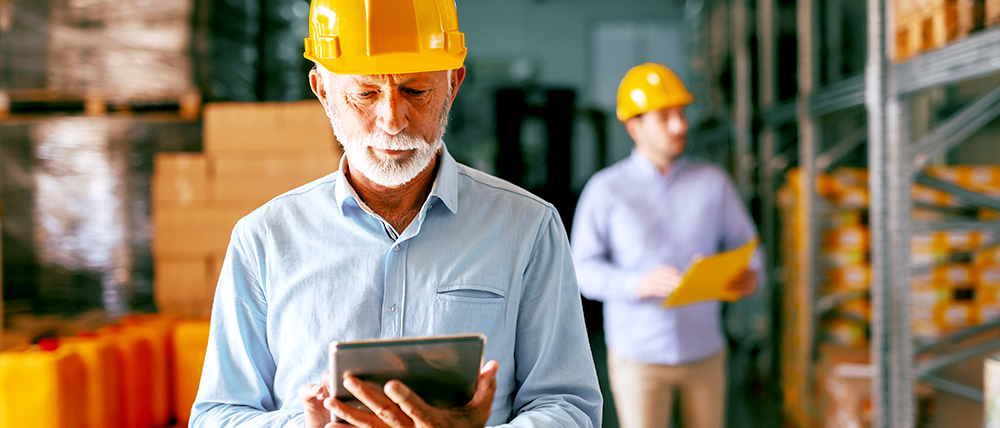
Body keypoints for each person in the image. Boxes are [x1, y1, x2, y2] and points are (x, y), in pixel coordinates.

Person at [189, 1, 603, 427]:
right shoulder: (264, 239)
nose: (391, 120)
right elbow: (217, 416)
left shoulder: (527, 228)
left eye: (416, 91)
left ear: (453, 84)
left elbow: (569, 405)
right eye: (366, 93)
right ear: (323, 90)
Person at [570, 63, 762, 428]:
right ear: (634, 126)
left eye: (682, 113)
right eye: (665, 117)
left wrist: (751, 274)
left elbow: (748, 246)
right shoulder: (605, 190)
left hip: (704, 351)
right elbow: (582, 270)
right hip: (639, 358)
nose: (680, 126)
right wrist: (635, 283)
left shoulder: (713, 182)